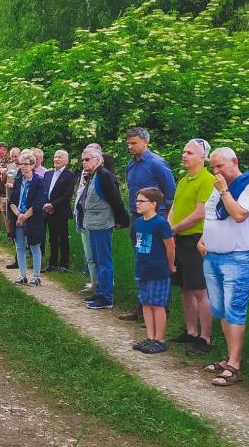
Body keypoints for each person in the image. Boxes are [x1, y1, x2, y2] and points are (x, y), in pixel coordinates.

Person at [198, 147, 249, 387]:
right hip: (212, 256)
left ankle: (235, 364)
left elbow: (239, 214)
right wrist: (203, 238)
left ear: (235, 161)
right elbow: (210, 215)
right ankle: (229, 357)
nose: (216, 172)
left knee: (235, 310)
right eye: (213, 168)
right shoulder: (218, 187)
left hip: (238, 257)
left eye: (220, 166)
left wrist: (224, 191)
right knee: (220, 309)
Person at [120, 127, 176, 322]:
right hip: (137, 219)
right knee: (140, 262)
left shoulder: (157, 164)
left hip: (155, 221)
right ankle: (143, 306)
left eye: (134, 143)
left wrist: (168, 220)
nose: (130, 146)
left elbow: (170, 193)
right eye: (128, 143)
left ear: (146, 142)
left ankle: (161, 309)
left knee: (156, 263)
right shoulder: (131, 165)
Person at [168, 139, 215, 355]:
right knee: (185, 288)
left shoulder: (207, 179)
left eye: (190, 153)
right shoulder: (184, 179)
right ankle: (191, 331)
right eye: (184, 151)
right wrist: (169, 228)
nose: (184, 155)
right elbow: (175, 206)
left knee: (199, 289)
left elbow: (200, 212)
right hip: (179, 238)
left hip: (195, 238)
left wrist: (175, 228)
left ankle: (205, 338)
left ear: (202, 157)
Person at [75, 147, 129, 309]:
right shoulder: (93, 176)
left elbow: (115, 200)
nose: (84, 162)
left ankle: (106, 297)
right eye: (83, 160)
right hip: (92, 224)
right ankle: (99, 292)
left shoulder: (104, 176)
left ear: (99, 160)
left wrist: (122, 220)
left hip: (102, 224)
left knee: (104, 261)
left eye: (88, 159)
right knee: (98, 261)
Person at [131, 187, 176, 354]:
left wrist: (170, 265)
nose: (138, 204)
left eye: (142, 201)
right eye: (137, 201)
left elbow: (170, 246)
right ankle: (150, 337)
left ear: (154, 204)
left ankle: (160, 339)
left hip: (158, 270)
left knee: (158, 305)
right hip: (142, 269)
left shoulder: (161, 223)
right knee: (146, 303)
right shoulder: (139, 222)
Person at [10, 151, 47, 286]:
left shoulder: (39, 181)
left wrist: (24, 217)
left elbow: (39, 203)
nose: (23, 167)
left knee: (34, 246)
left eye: (26, 164)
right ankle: (22, 275)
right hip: (18, 216)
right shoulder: (18, 180)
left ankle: (36, 276)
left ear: (32, 165)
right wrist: (18, 215)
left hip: (32, 218)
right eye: (21, 164)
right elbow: (12, 201)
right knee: (19, 247)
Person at [42, 150, 76, 273]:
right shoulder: (48, 174)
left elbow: (67, 194)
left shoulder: (69, 175)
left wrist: (53, 205)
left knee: (63, 238)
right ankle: (52, 263)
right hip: (48, 211)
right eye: (55, 157)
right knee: (52, 238)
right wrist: (47, 206)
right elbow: (44, 191)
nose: (56, 159)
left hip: (61, 211)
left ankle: (64, 264)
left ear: (66, 161)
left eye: (60, 157)